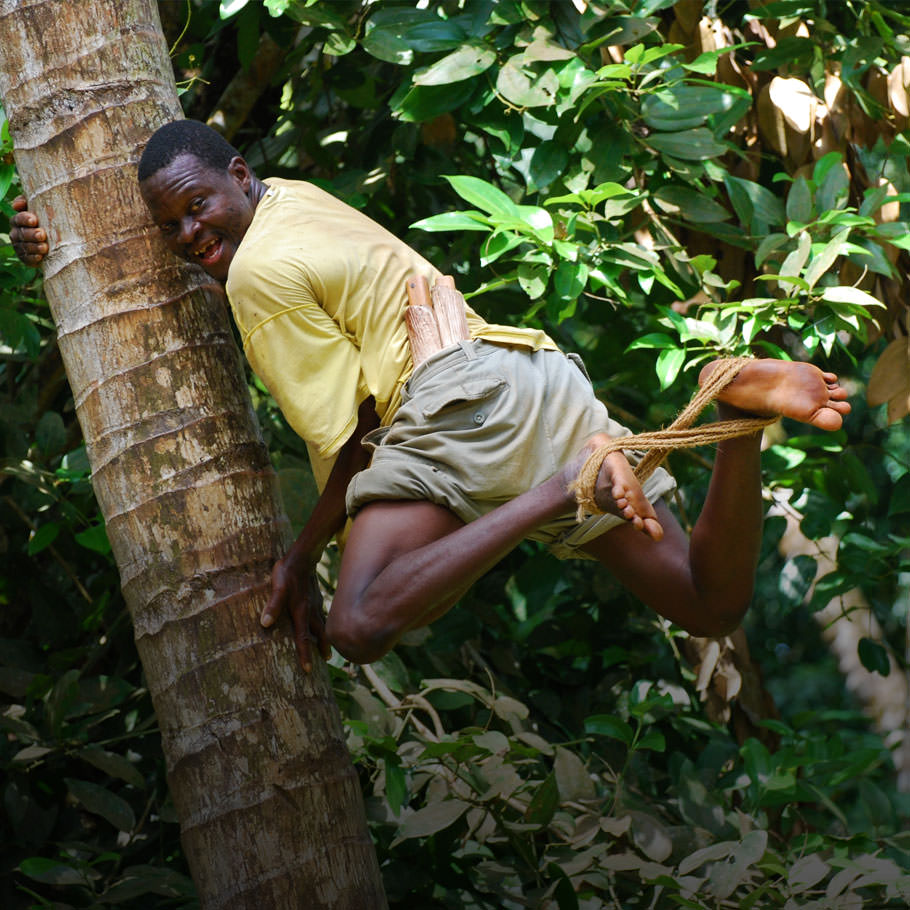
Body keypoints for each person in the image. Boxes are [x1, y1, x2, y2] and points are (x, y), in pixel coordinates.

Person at [9, 120, 852, 672]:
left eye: (199, 212)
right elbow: (188, 222)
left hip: (454, 401)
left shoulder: (256, 276)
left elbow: (359, 439)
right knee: (709, 603)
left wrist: (301, 558)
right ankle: (736, 411)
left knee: (359, 623)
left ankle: (564, 486)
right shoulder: (287, 203)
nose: (192, 237)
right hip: (524, 374)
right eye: (172, 228)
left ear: (238, 177)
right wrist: (60, 235)